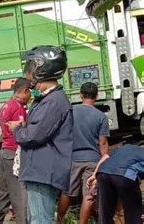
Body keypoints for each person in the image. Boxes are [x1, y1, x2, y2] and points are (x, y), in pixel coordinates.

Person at [9, 46, 73, 223]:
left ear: (41, 70)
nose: (27, 75)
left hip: (43, 171)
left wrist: (17, 129)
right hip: (40, 170)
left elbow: (33, 136)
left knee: (40, 220)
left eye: (30, 69)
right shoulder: (47, 99)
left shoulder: (53, 101)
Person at [56, 82, 110, 224]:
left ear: (80, 95)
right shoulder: (101, 117)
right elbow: (103, 143)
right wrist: (104, 160)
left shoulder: (71, 112)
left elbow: (63, 135)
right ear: (97, 96)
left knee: (67, 192)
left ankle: (59, 221)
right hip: (93, 160)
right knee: (89, 196)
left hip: (73, 159)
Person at [0, 77, 31, 224]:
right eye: (29, 93)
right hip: (14, 153)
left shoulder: (6, 105)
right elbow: (22, 130)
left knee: (4, 192)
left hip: (5, 151)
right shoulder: (18, 108)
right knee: (20, 195)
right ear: (25, 91)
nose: (30, 96)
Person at [87, 144, 144, 224]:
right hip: (124, 174)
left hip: (102, 172)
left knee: (105, 214)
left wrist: (94, 175)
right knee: (133, 214)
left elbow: (105, 156)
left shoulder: (126, 148)